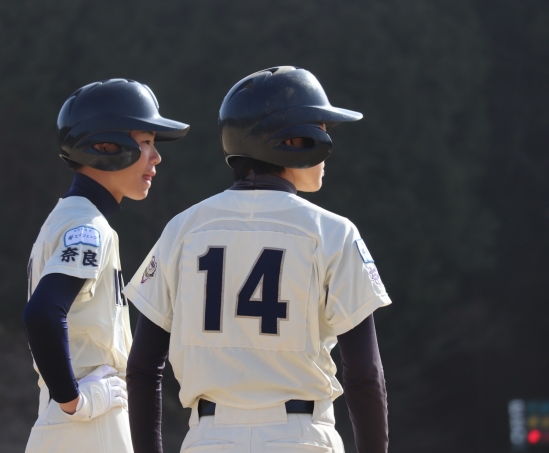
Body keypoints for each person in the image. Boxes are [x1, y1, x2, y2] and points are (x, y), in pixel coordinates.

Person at [124, 66, 391, 453]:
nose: (327, 141)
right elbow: (364, 375)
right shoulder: (333, 231)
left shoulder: (182, 229)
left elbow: (143, 367)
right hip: (299, 437)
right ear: (293, 141)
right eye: (320, 128)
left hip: (208, 439)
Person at [22, 78, 189, 453]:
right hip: (89, 417)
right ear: (106, 147)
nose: (156, 157)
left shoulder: (67, 217)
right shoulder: (89, 226)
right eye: (145, 142)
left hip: (72, 418)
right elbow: (42, 313)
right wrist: (76, 402)